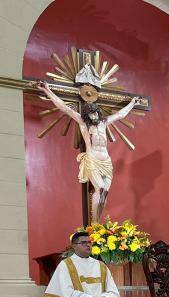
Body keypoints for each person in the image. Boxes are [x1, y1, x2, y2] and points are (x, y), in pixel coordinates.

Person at [37, 81, 139, 221]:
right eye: (91, 115)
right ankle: (95, 223)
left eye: (96, 114)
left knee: (105, 192)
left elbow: (121, 114)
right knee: (100, 189)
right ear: (87, 115)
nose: (94, 117)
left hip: (106, 161)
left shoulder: (104, 122)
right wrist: (47, 90)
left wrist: (132, 103)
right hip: (93, 159)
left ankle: (98, 220)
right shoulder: (83, 123)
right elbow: (64, 107)